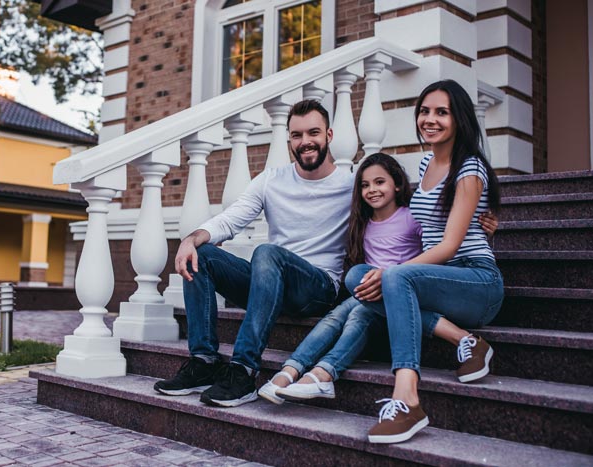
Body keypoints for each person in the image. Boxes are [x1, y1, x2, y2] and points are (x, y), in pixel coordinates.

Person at [153, 99, 355, 407]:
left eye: (313, 133)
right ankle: (204, 362)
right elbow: (230, 220)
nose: (305, 142)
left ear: (329, 135)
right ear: (289, 139)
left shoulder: (351, 185)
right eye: (297, 135)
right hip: (270, 284)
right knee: (203, 254)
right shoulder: (272, 180)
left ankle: (244, 370)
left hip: (317, 288)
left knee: (267, 253)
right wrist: (190, 239)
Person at [257, 154, 497, 404]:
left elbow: (447, 236)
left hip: (401, 294)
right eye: (365, 185)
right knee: (342, 308)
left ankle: (320, 373)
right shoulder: (361, 224)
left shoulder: (412, 216)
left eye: (380, 182)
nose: (372, 190)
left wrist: (485, 223)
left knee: (358, 306)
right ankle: (292, 370)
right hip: (372, 295)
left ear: (396, 184)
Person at [367, 79, 504, 444]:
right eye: (425, 111)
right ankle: (464, 339)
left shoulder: (470, 169)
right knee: (357, 280)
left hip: (476, 280)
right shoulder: (427, 161)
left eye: (441, 112)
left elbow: (450, 244)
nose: (430, 119)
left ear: (458, 118)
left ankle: (407, 397)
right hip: (439, 278)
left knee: (393, 280)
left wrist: (396, 271)